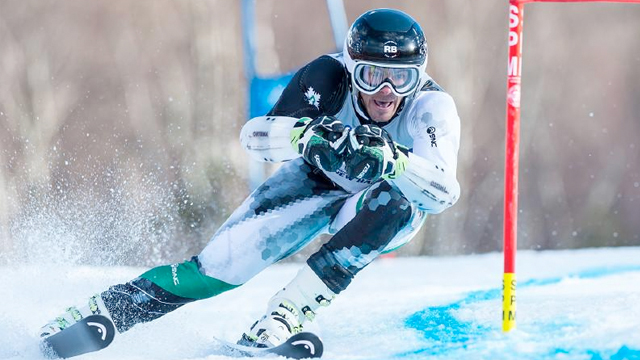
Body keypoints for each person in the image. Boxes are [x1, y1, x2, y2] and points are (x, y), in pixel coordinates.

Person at [40, 8, 461, 350]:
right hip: (315, 182)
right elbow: (255, 136)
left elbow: (443, 192)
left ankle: (286, 316)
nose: (387, 91)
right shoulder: (326, 77)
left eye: (401, 78)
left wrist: (396, 162)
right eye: (372, 75)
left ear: (418, 76)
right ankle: (105, 309)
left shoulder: (431, 108)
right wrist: (305, 135)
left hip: (376, 205)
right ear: (351, 69)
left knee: (399, 202)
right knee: (219, 268)